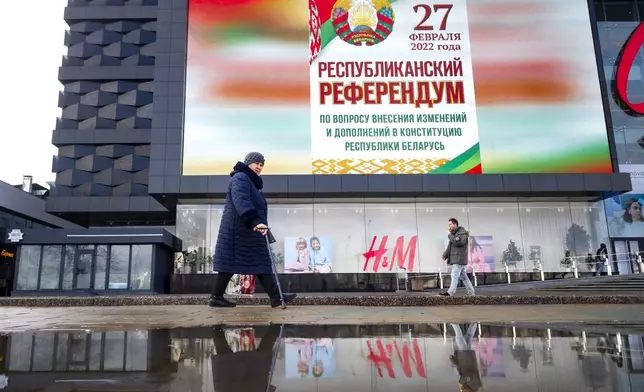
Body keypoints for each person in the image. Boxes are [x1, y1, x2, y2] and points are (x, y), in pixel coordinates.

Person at [209, 152, 296, 308]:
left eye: (262, 165)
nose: (259, 167)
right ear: (248, 163)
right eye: (256, 163)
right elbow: (241, 200)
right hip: (238, 230)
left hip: (249, 229)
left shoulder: (251, 181)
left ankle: (276, 297)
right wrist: (255, 221)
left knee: (260, 261)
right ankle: (216, 297)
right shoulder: (240, 177)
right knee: (230, 263)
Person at [440, 218, 476, 297]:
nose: (448, 226)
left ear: (454, 224)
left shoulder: (462, 234)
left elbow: (457, 243)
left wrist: (449, 234)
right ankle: (471, 292)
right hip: (458, 258)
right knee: (463, 276)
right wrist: (445, 255)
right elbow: (450, 246)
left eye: (450, 224)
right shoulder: (454, 235)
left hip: (459, 258)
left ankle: (450, 292)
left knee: (454, 275)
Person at [449, 323, 482, 392]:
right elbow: (470, 376)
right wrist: (461, 381)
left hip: (464, 359)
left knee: (468, 337)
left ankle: (474, 324)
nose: (463, 391)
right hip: (467, 359)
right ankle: (455, 325)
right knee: (459, 339)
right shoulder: (476, 385)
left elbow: (460, 371)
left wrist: (454, 362)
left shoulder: (468, 386)